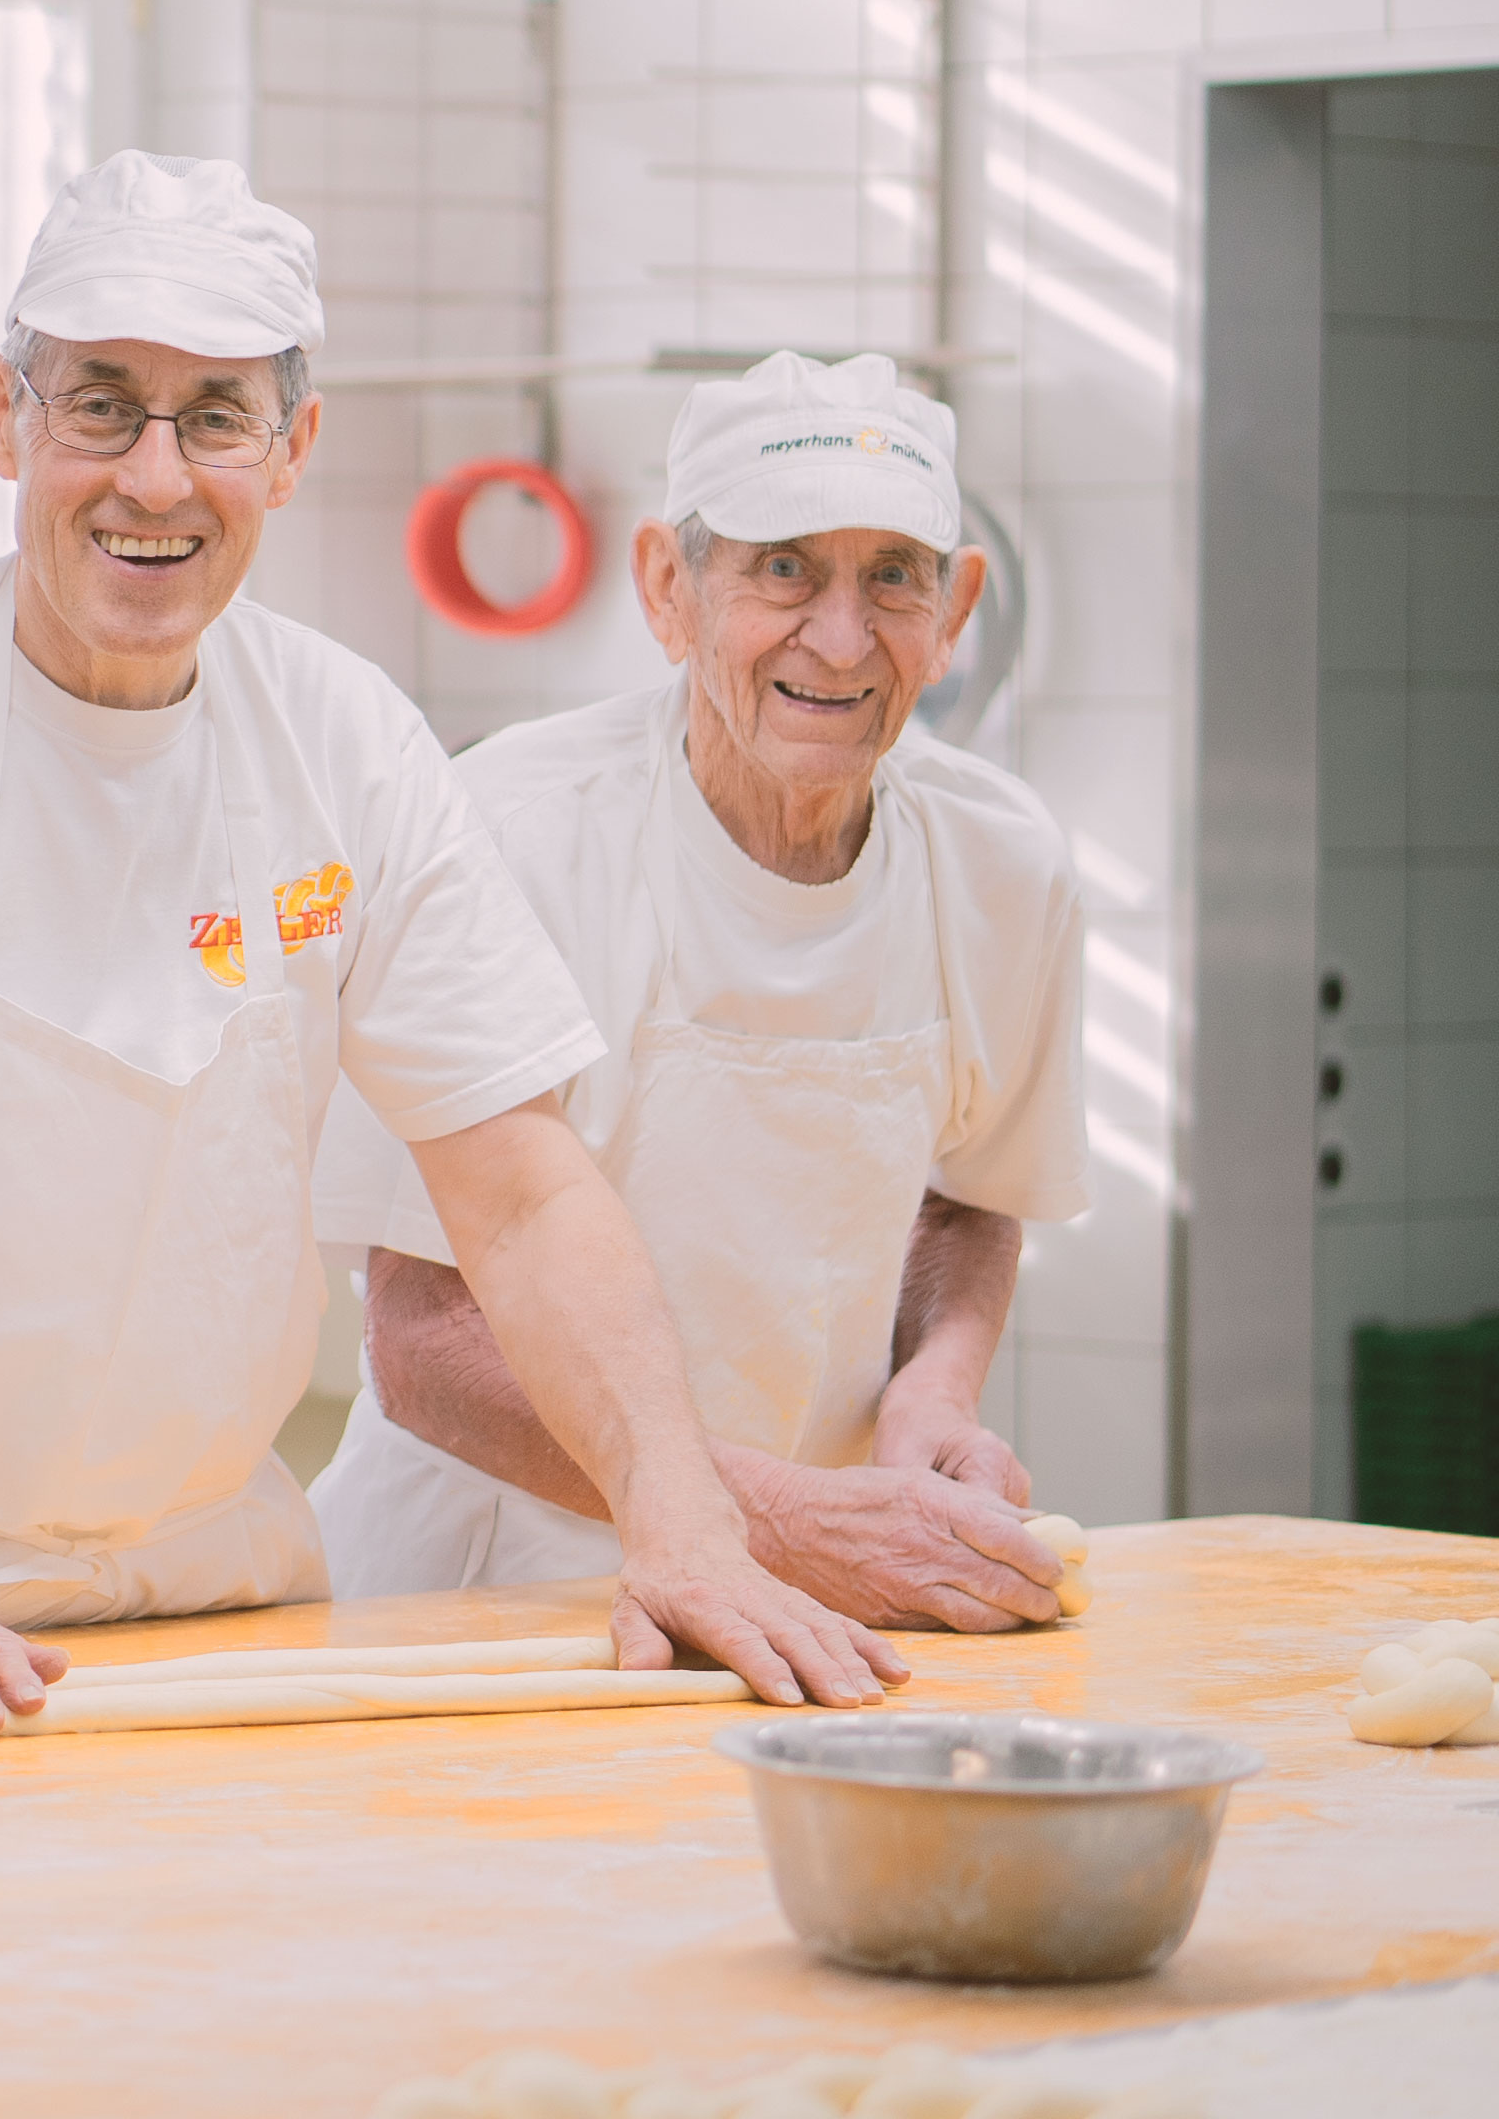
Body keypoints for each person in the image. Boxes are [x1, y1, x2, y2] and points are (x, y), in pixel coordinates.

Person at [0, 151, 901, 1731]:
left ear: (291, 450)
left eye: (214, 418)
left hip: (218, 1606)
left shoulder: (345, 743)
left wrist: (686, 1522)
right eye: (102, 406)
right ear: (3, 413)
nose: (154, 477)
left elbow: (527, 1194)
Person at [308, 352, 1088, 1629]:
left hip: (811, 1589)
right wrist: (754, 1513)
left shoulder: (1000, 861)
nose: (840, 637)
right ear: (670, 588)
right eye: (783, 568)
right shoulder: (510, 833)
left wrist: (932, 1395)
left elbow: (968, 1198)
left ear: (956, 611)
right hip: (483, 1597)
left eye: (892, 574)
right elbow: (423, 1339)